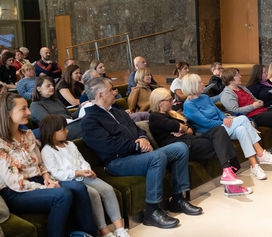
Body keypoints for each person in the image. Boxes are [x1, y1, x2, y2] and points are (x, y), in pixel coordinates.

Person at [0, 92, 104, 237]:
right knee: (62, 195)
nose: (28, 112)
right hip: (16, 192)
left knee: (79, 187)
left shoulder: (27, 135)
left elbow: (40, 163)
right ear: (8, 113)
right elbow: (15, 182)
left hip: (40, 182)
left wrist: (47, 177)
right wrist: (45, 186)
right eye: (23, 109)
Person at [81, 78, 202, 229]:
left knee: (180, 148)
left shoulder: (117, 111)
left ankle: (178, 199)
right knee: (157, 157)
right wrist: (138, 146)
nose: (115, 92)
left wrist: (143, 138)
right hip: (117, 162)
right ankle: (151, 211)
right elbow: (109, 145)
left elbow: (138, 129)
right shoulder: (89, 120)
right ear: (100, 95)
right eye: (111, 90)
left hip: (137, 154)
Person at [39, 114, 135, 237]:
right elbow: (56, 173)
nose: (67, 131)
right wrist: (78, 173)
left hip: (83, 175)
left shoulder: (70, 144)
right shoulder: (47, 151)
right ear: (52, 132)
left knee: (108, 189)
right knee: (93, 194)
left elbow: (82, 160)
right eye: (63, 129)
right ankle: (105, 233)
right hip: (69, 181)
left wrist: (87, 170)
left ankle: (120, 229)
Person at [149, 88, 251, 197]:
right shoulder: (155, 116)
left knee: (219, 130)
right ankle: (230, 180)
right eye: (169, 100)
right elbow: (178, 127)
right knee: (221, 143)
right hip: (180, 145)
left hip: (190, 139)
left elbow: (190, 129)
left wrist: (183, 129)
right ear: (159, 103)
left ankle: (227, 173)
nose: (172, 102)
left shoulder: (172, 114)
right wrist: (183, 128)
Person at [182, 73, 272, 181]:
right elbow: (205, 123)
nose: (202, 84)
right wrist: (223, 123)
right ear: (193, 86)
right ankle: (260, 153)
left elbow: (218, 112)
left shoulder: (204, 97)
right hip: (209, 132)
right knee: (243, 119)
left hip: (221, 126)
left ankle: (254, 166)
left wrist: (224, 119)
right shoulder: (188, 105)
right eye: (199, 83)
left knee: (242, 129)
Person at [220, 68, 272, 160]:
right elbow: (234, 111)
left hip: (259, 110)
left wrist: (259, 102)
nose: (240, 76)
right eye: (237, 75)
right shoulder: (227, 93)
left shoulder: (242, 88)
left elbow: (253, 98)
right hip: (249, 116)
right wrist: (253, 106)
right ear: (231, 79)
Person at [30, 76, 83, 140]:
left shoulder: (56, 101)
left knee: (88, 120)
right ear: (39, 89)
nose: (52, 87)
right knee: (87, 124)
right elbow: (50, 122)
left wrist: (81, 107)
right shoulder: (35, 105)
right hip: (58, 130)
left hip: (70, 124)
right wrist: (66, 120)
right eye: (48, 86)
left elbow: (71, 116)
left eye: (53, 85)